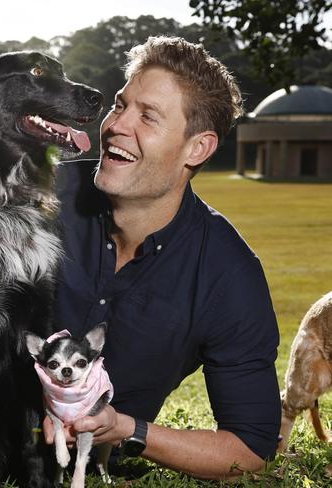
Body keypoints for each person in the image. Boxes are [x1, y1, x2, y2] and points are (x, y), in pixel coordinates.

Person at [47, 36, 280, 479]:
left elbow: (250, 448)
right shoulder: (42, 193)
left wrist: (125, 430)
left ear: (198, 148)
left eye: (148, 116)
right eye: (120, 105)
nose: (116, 125)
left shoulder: (228, 274)